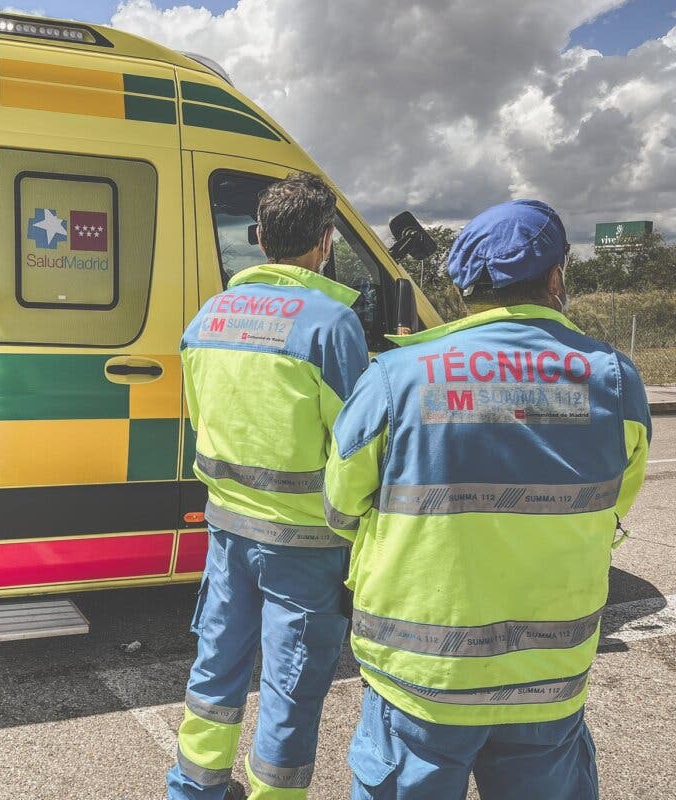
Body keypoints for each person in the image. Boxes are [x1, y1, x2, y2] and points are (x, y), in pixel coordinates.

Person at [324, 199, 652, 800]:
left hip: (422, 676)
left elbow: (341, 505)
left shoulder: (398, 379)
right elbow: (614, 501)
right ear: (555, 279)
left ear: (464, 287)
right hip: (547, 679)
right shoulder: (615, 381)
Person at [169, 172, 369, 800]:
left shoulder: (208, 317)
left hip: (227, 531)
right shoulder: (331, 325)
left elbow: (202, 419)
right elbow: (356, 444)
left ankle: (192, 788)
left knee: (216, 668)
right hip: (308, 543)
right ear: (327, 240)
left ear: (258, 239)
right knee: (289, 686)